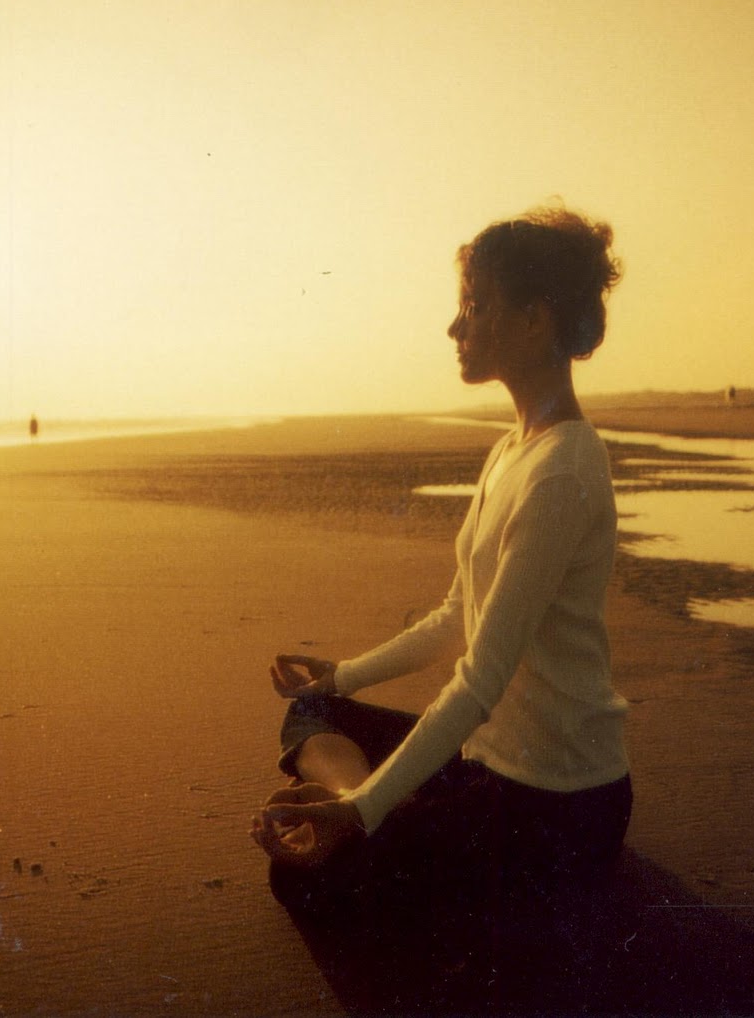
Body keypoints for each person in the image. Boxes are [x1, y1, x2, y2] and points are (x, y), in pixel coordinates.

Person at [251, 205, 633, 989]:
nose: (456, 327)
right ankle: (360, 792)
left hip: (556, 802)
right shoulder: (512, 450)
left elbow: (480, 678)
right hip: (483, 762)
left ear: (535, 319)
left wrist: (359, 816)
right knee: (312, 708)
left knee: (301, 876)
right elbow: (457, 615)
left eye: (476, 306)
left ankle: (364, 806)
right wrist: (342, 675)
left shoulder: (561, 471)